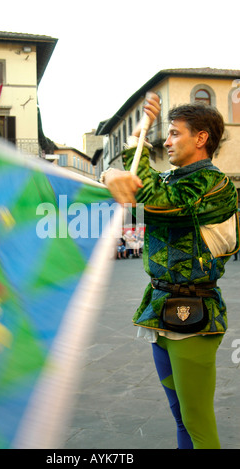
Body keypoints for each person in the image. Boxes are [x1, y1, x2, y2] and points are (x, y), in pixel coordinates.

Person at [102, 93, 239, 449]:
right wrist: (111, 170)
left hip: (194, 316)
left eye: (175, 133)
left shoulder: (215, 185)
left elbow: (154, 203)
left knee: (197, 423)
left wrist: (138, 155)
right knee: (180, 417)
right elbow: (136, 190)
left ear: (201, 138)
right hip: (160, 309)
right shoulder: (175, 179)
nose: (167, 140)